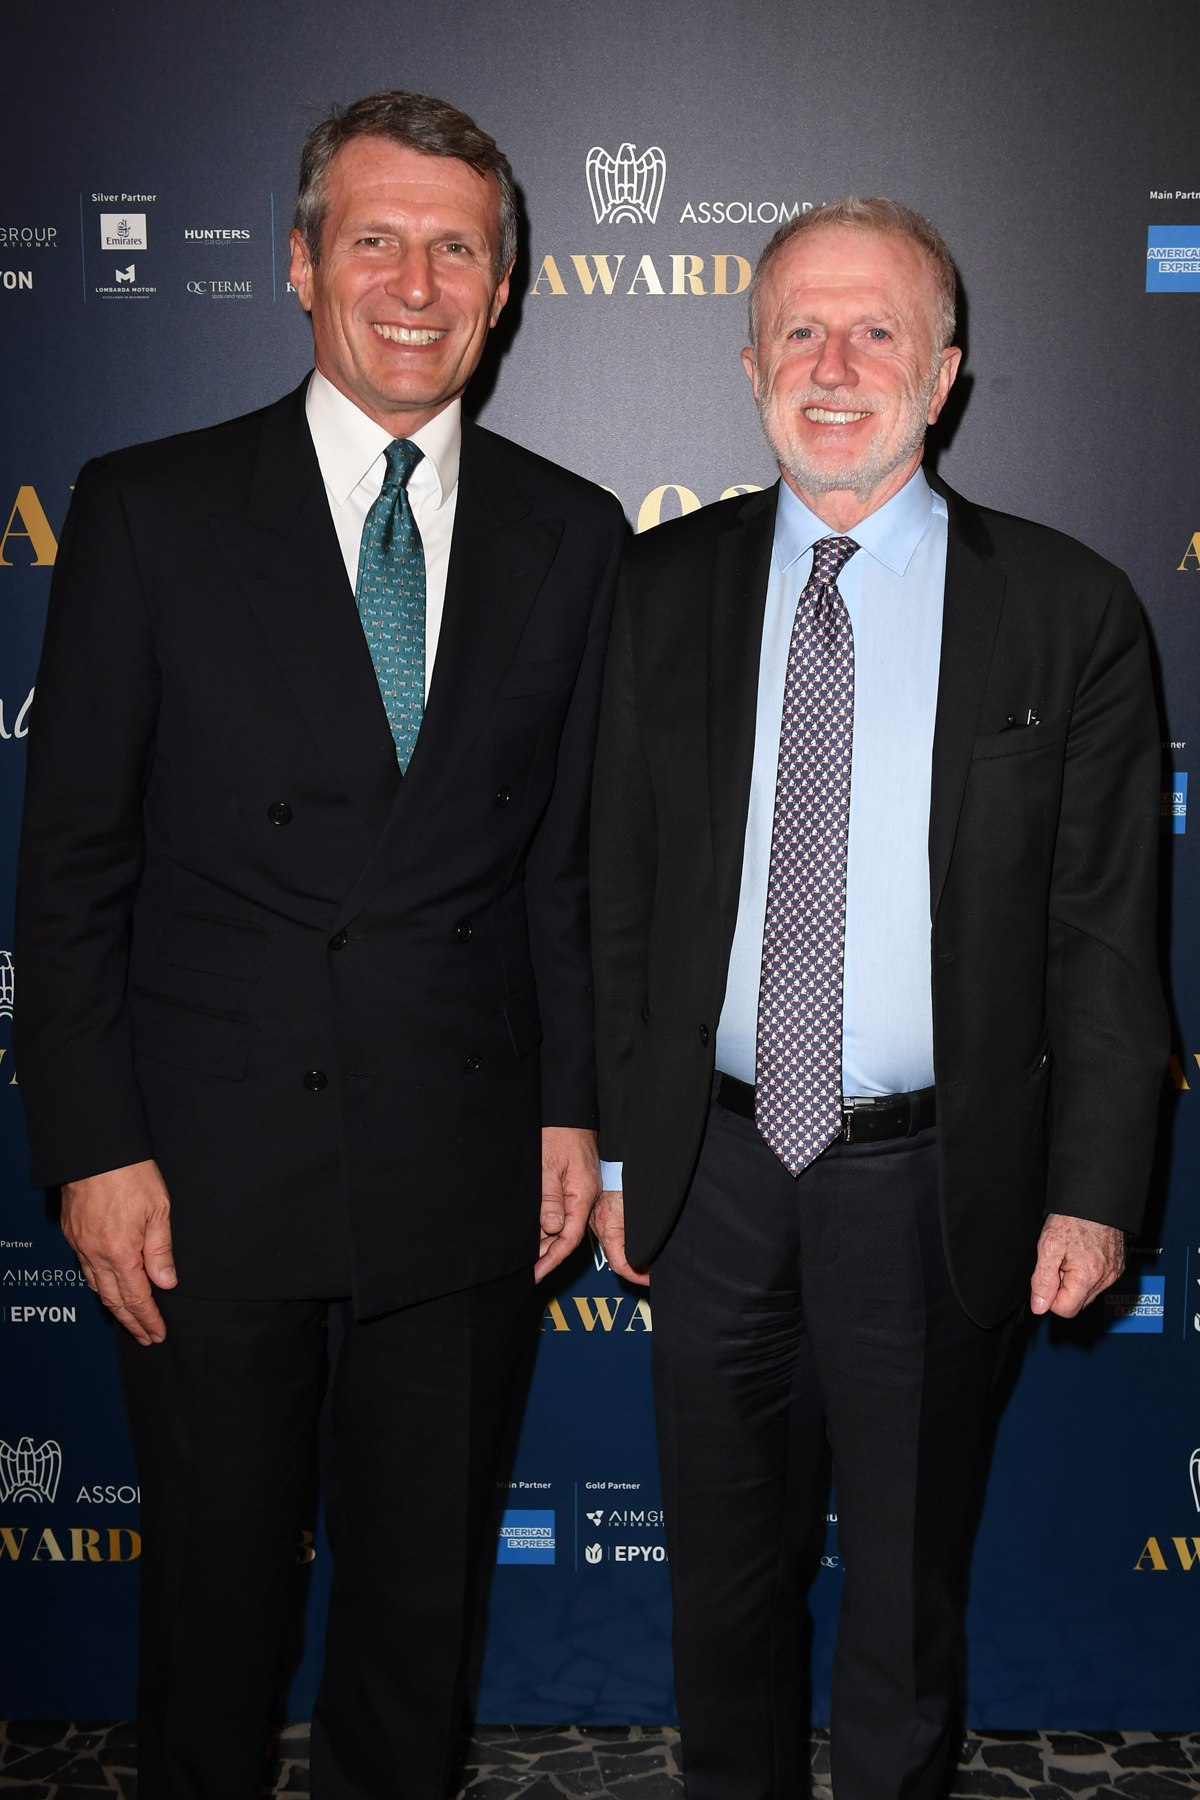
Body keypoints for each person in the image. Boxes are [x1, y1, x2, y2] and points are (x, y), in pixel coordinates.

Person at [16, 90, 624, 1800]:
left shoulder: (575, 531)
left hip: (459, 1158)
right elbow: (69, 869)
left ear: (504, 286)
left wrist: (569, 1109)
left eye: (456, 249)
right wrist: (92, 1146)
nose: (415, 286)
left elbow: (566, 865)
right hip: (205, 1177)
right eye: (375, 241)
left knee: (418, 1626)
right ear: (300, 265)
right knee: (211, 1624)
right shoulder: (149, 506)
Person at [589, 197, 1167, 1800]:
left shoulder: (1068, 607)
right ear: (751, 363)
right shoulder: (657, 590)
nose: (833, 367)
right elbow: (612, 894)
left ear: (945, 372)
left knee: (907, 1612)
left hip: (935, 1183)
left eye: (875, 332)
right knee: (721, 1598)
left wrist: (1093, 1188)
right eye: (800, 331)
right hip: (709, 1176)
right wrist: (624, 1149)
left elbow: (1105, 935)